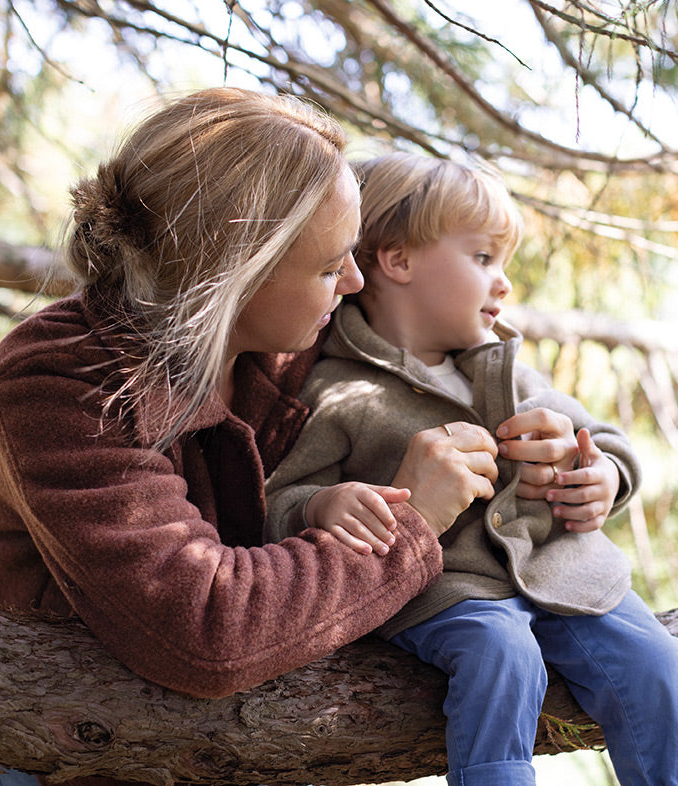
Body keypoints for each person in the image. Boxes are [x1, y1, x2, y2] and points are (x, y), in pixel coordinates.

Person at [0, 90, 502, 786]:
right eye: (332, 267)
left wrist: (577, 454)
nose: (356, 282)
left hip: (231, 734)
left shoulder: (293, 326)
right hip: (53, 742)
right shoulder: (61, 378)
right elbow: (205, 625)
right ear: (236, 273)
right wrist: (410, 522)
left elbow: (441, 323)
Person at [264, 151, 678, 786]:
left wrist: (600, 478)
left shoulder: (504, 365)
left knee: (657, 667)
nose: (504, 282)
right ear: (398, 261)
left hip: (565, 570)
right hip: (449, 591)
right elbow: (279, 497)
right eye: (484, 258)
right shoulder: (336, 389)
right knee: (503, 656)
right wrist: (322, 504)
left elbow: (603, 441)